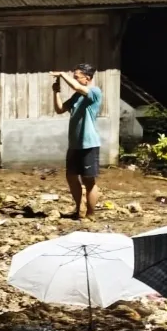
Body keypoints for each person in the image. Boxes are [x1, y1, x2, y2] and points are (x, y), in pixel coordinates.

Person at [52, 64, 103, 219]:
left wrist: (62, 73)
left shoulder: (94, 92)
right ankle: (78, 209)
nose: (74, 80)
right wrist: (56, 92)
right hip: (74, 144)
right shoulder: (77, 96)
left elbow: (76, 87)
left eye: (77, 76)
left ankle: (91, 214)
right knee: (71, 176)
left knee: (89, 180)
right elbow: (60, 109)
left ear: (87, 78)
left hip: (89, 144)